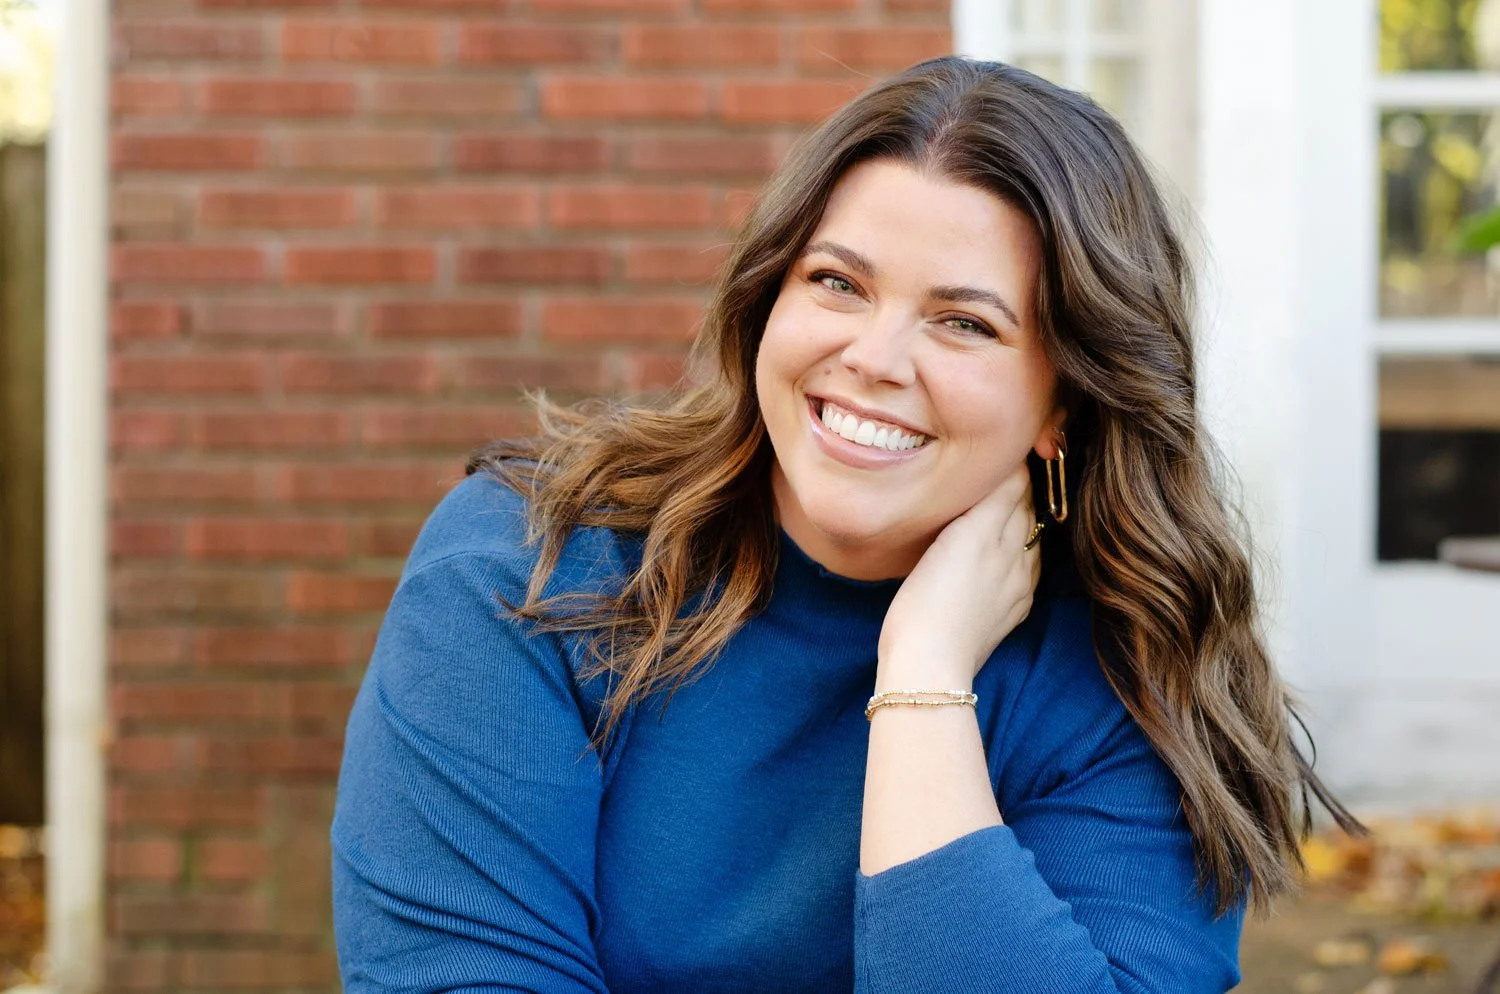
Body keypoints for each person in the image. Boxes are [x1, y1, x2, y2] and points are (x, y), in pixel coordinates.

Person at [330, 56, 1359, 993]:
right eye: (837, 282)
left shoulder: (1131, 679)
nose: (873, 354)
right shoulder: (529, 566)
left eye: (964, 321)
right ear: (765, 300)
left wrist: (923, 678)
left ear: (1067, 404)